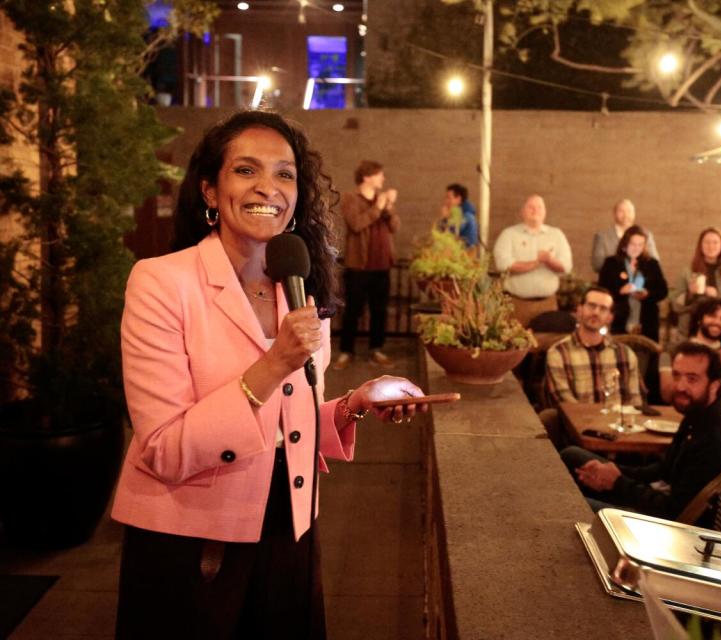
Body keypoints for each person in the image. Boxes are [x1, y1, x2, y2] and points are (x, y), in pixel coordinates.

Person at [110, 110, 428, 638]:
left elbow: (287, 425)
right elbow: (164, 447)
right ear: (210, 191)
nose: (269, 187)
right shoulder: (161, 283)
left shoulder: (301, 289)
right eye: (246, 170)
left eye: (285, 174)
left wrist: (354, 404)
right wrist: (273, 363)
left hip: (290, 531)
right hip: (193, 547)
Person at [560, 342, 721, 518]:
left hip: (672, 528)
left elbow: (674, 512)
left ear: (714, 385)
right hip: (662, 501)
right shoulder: (697, 415)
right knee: (571, 455)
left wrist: (617, 482)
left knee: (569, 503)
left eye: (692, 379)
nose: (680, 386)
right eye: (676, 375)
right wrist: (614, 470)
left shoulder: (717, 440)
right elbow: (664, 470)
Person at [540, 287, 644, 448]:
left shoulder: (625, 354)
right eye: (591, 306)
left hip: (619, 435)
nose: (596, 312)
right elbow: (565, 404)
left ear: (610, 317)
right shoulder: (559, 353)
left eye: (603, 309)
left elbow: (635, 401)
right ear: (579, 309)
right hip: (577, 434)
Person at [333, 160, 400, 369]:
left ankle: (376, 349)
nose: (383, 178)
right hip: (359, 267)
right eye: (379, 174)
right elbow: (356, 224)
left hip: (382, 265)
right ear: (367, 177)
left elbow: (395, 226)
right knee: (353, 310)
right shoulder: (350, 198)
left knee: (379, 310)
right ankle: (346, 351)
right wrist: (378, 207)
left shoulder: (381, 200)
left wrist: (387, 206)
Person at [493, 194, 573, 327]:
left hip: (547, 305)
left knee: (546, 344)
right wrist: (537, 263)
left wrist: (549, 261)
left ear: (545, 212)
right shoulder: (509, 234)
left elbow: (566, 267)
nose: (535, 210)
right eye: (531, 207)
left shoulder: (556, 235)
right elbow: (503, 265)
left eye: (539, 207)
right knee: (515, 343)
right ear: (522, 212)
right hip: (516, 305)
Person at [659, 297, 721, 403]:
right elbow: (667, 395)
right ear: (699, 319)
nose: (717, 322)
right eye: (712, 316)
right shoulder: (672, 351)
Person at [670, 227, 721, 344]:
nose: (711, 246)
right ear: (700, 245)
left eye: (715, 242)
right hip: (691, 330)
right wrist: (689, 294)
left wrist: (718, 296)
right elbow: (675, 305)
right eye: (707, 242)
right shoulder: (688, 270)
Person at [597, 225, 667, 340]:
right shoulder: (611, 263)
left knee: (645, 354)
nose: (636, 248)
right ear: (624, 244)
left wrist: (647, 294)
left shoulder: (651, 264)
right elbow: (601, 290)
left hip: (646, 320)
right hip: (618, 319)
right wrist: (620, 291)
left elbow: (663, 291)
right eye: (633, 244)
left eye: (640, 244)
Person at [591, 198, 660, 272]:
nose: (625, 215)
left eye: (629, 211)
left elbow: (654, 261)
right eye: (621, 211)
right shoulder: (602, 236)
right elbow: (597, 264)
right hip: (611, 281)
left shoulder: (646, 235)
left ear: (634, 213)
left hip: (640, 281)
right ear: (614, 213)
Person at [437, 182, 478, 249]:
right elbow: (439, 233)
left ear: (458, 198)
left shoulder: (467, 216)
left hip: (464, 255)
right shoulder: (456, 213)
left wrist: (445, 218)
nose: (446, 201)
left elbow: (450, 233)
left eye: (449, 198)